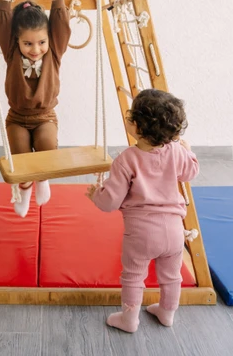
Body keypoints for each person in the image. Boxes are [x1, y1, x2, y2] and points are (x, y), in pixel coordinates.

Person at [86, 88, 199, 333]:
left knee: (133, 276)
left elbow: (110, 202)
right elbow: (190, 172)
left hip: (141, 234)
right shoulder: (176, 151)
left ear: (136, 126)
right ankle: (167, 313)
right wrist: (188, 151)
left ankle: (129, 319)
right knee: (171, 276)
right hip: (174, 231)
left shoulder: (126, 160)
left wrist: (96, 195)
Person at [0, 0, 71, 217]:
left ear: (49, 39)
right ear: (16, 41)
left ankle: (43, 179)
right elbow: (2, 25)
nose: (35, 49)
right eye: (27, 43)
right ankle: (25, 189)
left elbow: (61, 26)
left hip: (45, 116)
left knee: (47, 147)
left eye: (41, 42)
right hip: (17, 118)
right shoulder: (11, 53)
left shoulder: (54, 52)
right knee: (21, 159)